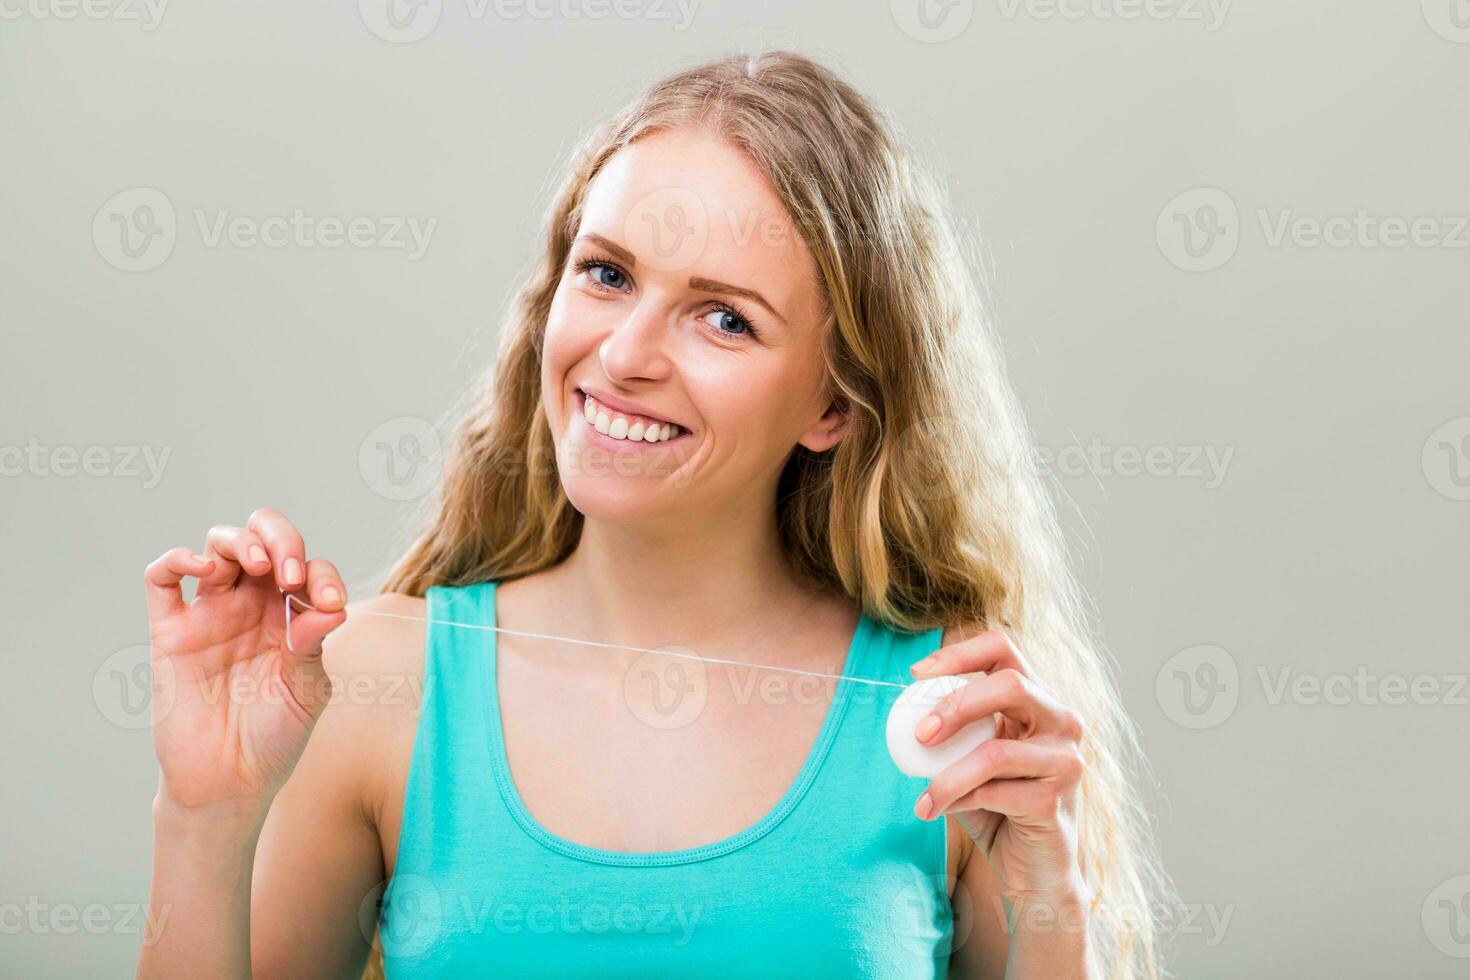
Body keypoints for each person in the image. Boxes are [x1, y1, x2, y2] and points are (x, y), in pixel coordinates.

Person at [137, 50, 1170, 979]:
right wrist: (207, 816)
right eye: (608, 273)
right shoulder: (375, 682)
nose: (625, 354)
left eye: (724, 316)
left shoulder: (952, 721)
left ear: (834, 404)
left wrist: (1054, 899)